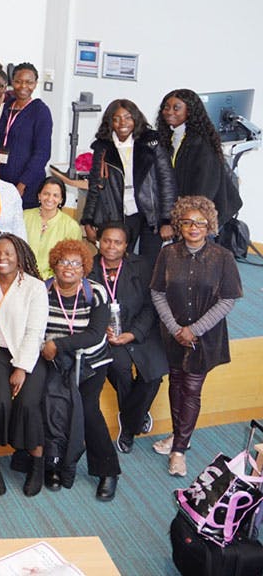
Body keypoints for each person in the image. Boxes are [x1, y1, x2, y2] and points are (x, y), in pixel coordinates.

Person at [150, 196, 242, 477]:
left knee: (191, 389)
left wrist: (194, 330)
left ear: (209, 225)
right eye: (187, 222)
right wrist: (176, 328)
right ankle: (181, 436)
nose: (193, 227)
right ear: (179, 224)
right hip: (173, 335)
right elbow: (157, 292)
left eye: (200, 223)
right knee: (176, 383)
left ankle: (178, 449)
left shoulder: (222, 257)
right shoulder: (167, 254)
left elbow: (227, 300)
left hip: (204, 339)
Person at [39, 239, 119, 500]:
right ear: (55, 265)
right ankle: (52, 464)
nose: (69, 268)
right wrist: (47, 347)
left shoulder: (95, 293)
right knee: (50, 407)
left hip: (90, 363)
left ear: (85, 267)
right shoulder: (43, 290)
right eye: (63, 262)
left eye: (76, 263)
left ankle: (108, 471)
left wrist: (58, 344)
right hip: (55, 362)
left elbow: (96, 334)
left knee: (87, 411)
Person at [87, 223, 167, 454]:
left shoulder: (142, 266)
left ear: (126, 246)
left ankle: (130, 418)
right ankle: (133, 425)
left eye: (118, 242)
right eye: (107, 240)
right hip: (106, 335)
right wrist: (102, 330)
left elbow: (151, 305)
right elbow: (82, 306)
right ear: (99, 241)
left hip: (140, 330)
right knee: (120, 369)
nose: (111, 246)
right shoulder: (88, 267)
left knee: (152, 374)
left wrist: (133, 334)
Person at [0, 234, 48, 497]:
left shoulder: (34, 287)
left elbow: (35, 331)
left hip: (28, 355)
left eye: (8, 253)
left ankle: (37, 463)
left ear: (20, 255)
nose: (2, 258)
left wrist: (21, 368)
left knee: (28, 403)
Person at [82, 99, 176, 269]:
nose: (122, 123)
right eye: (116, 118)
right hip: (119, 214)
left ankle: (145, 296)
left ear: (136, 119)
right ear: (109, 122)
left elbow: (166, 181)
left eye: (128, 117)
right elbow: (95, 186)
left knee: (149, 266)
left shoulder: (152, 142)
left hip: (151, 214)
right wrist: (88, 220)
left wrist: (167, 220)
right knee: (119, 261)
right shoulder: (102, 147)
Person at [158, 89, 239, 231]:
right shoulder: (170, 136)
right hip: (184, 210)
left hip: (203, 215)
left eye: (176, 108)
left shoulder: (201, 143)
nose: (169, 112)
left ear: (190, 111)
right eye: (166, 107)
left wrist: (184, 221)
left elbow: (203, 190)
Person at [0, 63, 53, 208]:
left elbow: (42, 153)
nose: (23, 86)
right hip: (0, 182)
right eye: (18, 81)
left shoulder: (40, 112)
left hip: (27, 187)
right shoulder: (3, 108)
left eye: (29, 82)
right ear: (12, 82)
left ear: (35, 84)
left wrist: (22, 185)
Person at [24, 177, 83, 278]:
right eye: (46, 194)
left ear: (61, 199)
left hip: (53, 282)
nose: (50, 199)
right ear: (39, 195)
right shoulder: (24, 217)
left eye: (55, 195)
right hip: (22, 277)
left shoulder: (70, 226)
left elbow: (73, 260)